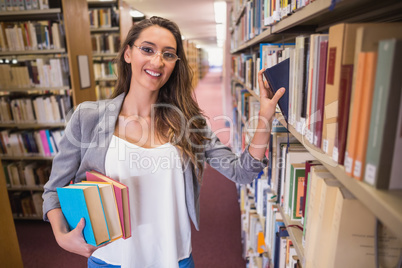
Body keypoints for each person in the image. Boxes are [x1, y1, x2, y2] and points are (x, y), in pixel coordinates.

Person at [42, 16, 284, 268]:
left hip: (174, 258)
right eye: (147, 49)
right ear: (128, 53)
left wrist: (264, 117)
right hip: (110, 260)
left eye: (168, 54)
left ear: (175, 64)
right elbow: (53, 190)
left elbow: (242, 172)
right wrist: (61, 236)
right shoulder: (88, 117)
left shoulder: (190, 124)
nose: (157, 61)